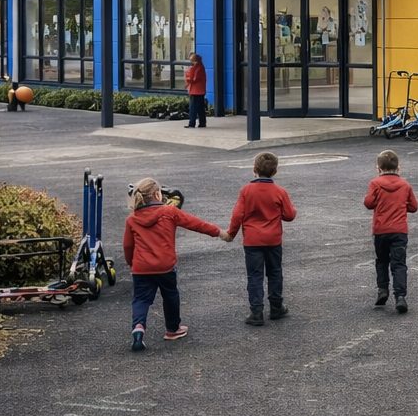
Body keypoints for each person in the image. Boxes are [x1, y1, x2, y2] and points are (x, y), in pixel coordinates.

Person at [122, 176, 227, 352]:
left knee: (141, 299)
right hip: (165, 265)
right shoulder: (169, 212)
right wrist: (219, 232)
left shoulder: (132, 219)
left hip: (141, 268)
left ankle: (138, 328)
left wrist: (130, 262)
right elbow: (196, 224)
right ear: (157, 194)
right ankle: (172, 329)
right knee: (170, 295)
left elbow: (127, 245)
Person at [227, 151, 298, 326]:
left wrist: (231, 233)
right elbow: (289, 215)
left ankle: (256, 312)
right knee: (275, 273)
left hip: (252, 241)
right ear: (275, 171)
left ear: (254, 170)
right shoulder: (280, 191)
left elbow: (238, 215)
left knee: (255, 276)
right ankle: (276, 307)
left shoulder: (246, 190)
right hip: (273, 240)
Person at [364, 149, 418, 313]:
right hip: (399, 231)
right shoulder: (405, 185)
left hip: (381, 230)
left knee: (381, 261)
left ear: (378, 168)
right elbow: (413, 207)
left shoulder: (375, 184)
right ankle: (400, 296)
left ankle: (382, 290)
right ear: (398, 168)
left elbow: (368, 203)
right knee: (399, 264)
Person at [185, 53, 207, 128]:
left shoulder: (197, 68)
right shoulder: (200, 67)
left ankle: (192, 123)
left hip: (195, 91)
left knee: (193, 108)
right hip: (199, 91)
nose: (191, 62)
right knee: (200, 108)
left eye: (192, 61)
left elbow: (193, 79)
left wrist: (187, 77)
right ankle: (202, 123)